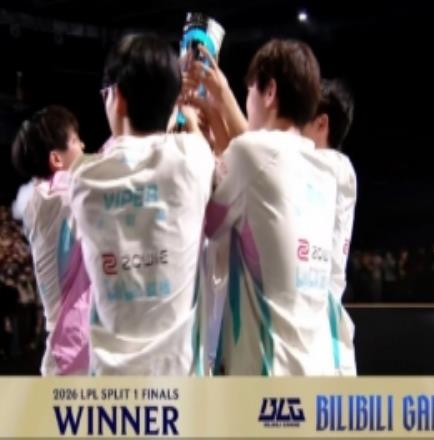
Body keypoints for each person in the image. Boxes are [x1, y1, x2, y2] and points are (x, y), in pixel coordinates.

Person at [69, 33, 214, 375]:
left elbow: (125, 151)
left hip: (110, 384)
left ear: (117, 96)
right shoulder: (193, 157)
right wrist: (184, 109)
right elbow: (187, 141)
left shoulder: (83, 180)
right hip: (178, 382)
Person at [202, 39, 346, 375]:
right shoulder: (327, 170)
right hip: (318, 369)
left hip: (268, 379)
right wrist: (218, 112)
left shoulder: (251, 154)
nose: (247, 102)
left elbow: (208, 223)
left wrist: (197, 129)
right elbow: (252, 180)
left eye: (249, 91)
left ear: (269, 92)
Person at [11, 105, 90, 375]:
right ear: (56, 159)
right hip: (72, 356)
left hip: (71, 348)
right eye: (76, 140)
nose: (83, 146)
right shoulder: (55, 200)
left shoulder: (43, 198)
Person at [302, 78, 357, 374]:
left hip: (324, 333)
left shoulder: (336, 167)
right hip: (314, 327)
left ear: (322, 123)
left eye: (301, 118)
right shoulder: (328, 169)